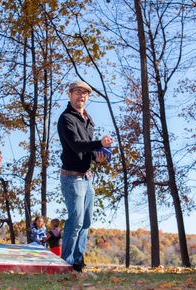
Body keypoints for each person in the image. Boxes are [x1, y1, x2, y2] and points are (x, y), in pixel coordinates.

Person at [58, 80, 114, 272]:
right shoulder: (66, 118)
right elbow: (76, 144)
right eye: (77, 92)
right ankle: (65, 263)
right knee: (76, 221)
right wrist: (99, 142)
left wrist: (97, 157)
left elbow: (86, 149)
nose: (81, 96)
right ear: (69, 94)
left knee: (86, 222)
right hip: (72, 177)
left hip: (87, 177)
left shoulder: (88, 120)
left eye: (85, 93)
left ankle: (78, 262)